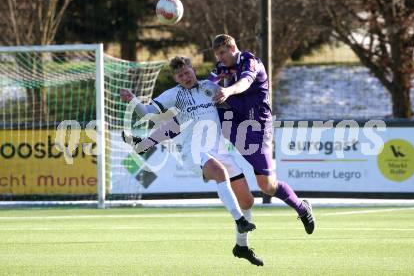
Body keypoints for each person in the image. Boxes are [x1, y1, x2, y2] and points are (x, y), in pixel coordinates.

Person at [120, 56, 264, 266]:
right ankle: (239, 220)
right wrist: (133, 99)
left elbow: (227, 85)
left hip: (219, 150)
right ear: (175, 78)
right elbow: (149, 112)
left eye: (187, 72)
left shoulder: (209, 87)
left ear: (193, 69)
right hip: (193, 152)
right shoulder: (173, 94)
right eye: (180, 76)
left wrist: (228, 82)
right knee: (219, 173)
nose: (185, 77)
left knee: (247, 201)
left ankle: (241, 247)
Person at [209, 34, 315, 234]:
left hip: (257, 128)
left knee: (267, 186)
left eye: (222, 53)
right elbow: (209, 83)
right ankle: (207, 164)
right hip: (233, 120)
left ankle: (302, 208)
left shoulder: (251, 62)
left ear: (232, 48)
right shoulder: (222, 67)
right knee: (205, 120)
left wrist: (228, 91)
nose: (220, 58)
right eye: (217, 54)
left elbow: (245, 84)